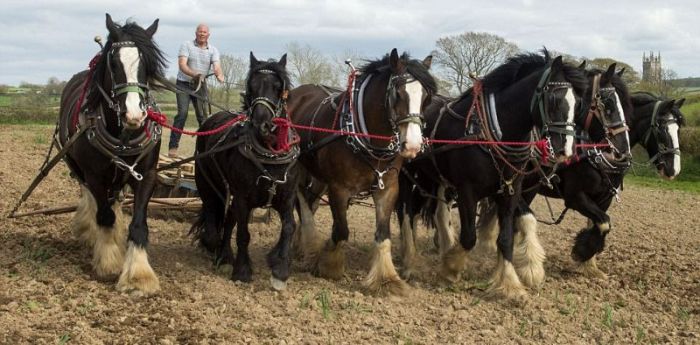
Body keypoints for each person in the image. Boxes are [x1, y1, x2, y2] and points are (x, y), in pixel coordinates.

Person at [168, 23, 225, 158]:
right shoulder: (186, 45)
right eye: (200, 32)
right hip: (183, 84)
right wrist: (195, 74)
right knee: (182, 113)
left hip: (200, 85)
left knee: (203, 117)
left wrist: (219, 74)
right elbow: (182, 65)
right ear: (196, 33)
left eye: (204, 32)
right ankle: (173, 146)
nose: (202, 34)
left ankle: (203, 149)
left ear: (208, 35)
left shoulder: (213, 50)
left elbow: (217, 66)